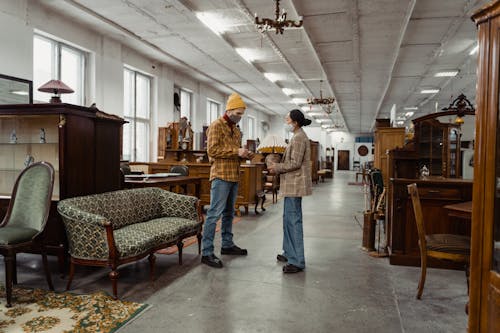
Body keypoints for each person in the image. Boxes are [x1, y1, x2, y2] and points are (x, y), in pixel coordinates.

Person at [201, 92, 253, 268]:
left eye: (241, 115)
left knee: (229, 213)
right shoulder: (216, 126)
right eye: (237, 114)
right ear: (229, 110)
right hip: (221, 176)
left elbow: (235, 152)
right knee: (214, 214)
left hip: (234, 175)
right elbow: (212, 151)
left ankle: (227, 244)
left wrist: (244, 154)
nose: (239, 117)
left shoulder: (236, 130)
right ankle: (207, 252)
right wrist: (236, 152)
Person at [268, 109, 312, 273]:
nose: (286, 121)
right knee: (288, 220)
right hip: (290, 184)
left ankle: (297, 261)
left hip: (295, 184)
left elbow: (295, 163)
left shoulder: (299, 137)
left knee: (293, 221)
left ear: (295, 122)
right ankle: (289, 252)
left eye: (287, 119)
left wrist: (276, 167)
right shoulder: (296, 136)